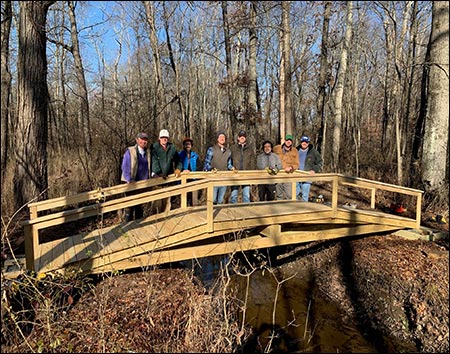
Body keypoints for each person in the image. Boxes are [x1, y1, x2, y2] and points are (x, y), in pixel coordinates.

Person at [121, 132, 152, 221]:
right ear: (137, 140)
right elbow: (125, 166)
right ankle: (128, 226)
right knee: (130, 206)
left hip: (143, 183)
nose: (143, 141)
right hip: (132, 183)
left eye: (145, 140)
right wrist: (129, 179)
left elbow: (150, 165)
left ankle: (139, 225)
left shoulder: (148, 152)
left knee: (139, 206)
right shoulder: (130, 151)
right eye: (141, 139)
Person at [151, 129, 182, 211]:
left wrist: (178, 169)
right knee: (157, 203)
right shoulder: (154, 147)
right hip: (158, 179)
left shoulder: (172, 148)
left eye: (166, 138)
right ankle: (156, 220)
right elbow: (154, 161)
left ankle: (166, 219)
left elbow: (178, 160)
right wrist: (158, 172)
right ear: (159, 138)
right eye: (162, 137)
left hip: (169, 178)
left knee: (167, 202)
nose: (164, 139)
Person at [203, 131, 233, 204]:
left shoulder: (228, 151)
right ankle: (211, 214)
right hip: (214, 178)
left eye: (223, 137)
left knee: (220, 200)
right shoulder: (211, 149)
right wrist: (211, 168)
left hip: (224, 178)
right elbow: (206, 163)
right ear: (217, 139)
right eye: (220, 137)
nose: (222, 138)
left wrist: (232, 168)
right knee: (212, 200)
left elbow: (228, 164)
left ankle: (219, 215)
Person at [229, 130, 256, 203]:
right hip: (235, 174)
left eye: (243, 136)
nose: (242, 138)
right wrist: (230, 170)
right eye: (241, 136)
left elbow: (253, 162)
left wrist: (252, 174)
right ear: (238, 138)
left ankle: (245, 211)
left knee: (246, 196)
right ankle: (233, 211)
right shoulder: (233, 148)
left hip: (246, 174)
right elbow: (229, 161)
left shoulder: (250, 149)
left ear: (246, 138)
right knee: (234, 195)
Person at [296, 135, 323, 202]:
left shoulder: (313, 152)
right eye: (303, 142)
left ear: (308, 143)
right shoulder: (296, 150)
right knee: (294, 195)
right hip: (296, 176)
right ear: (300, 142)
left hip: (307, 177)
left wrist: (314, 170)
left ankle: (305, 211)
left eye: (306, 142)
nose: (304, 143)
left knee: (305, 196)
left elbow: (320, 163)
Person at [273, 134, 299, 200]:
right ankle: (279, 209)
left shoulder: (295, 151)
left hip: (288, 175)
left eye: (290, 140)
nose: (288, 142)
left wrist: (291, 167)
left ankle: (289, 209)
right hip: (278, 174)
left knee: (289, 195)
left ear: (292, 142)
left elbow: (297, 164)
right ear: (284, 141)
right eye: (287, 140)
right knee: (279, 195)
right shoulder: (277, 148)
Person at [178, 137, 201, 205]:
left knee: (193, 199)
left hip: (193, 179)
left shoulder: (195, 155)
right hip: (183, 180)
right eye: (186, 144)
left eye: (189, 144)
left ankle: (194, 212)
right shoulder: (180, 155)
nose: (188, 145)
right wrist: (183, 170)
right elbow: (176, 166)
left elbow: (199, 167)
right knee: (184, 199)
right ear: (184, 145)